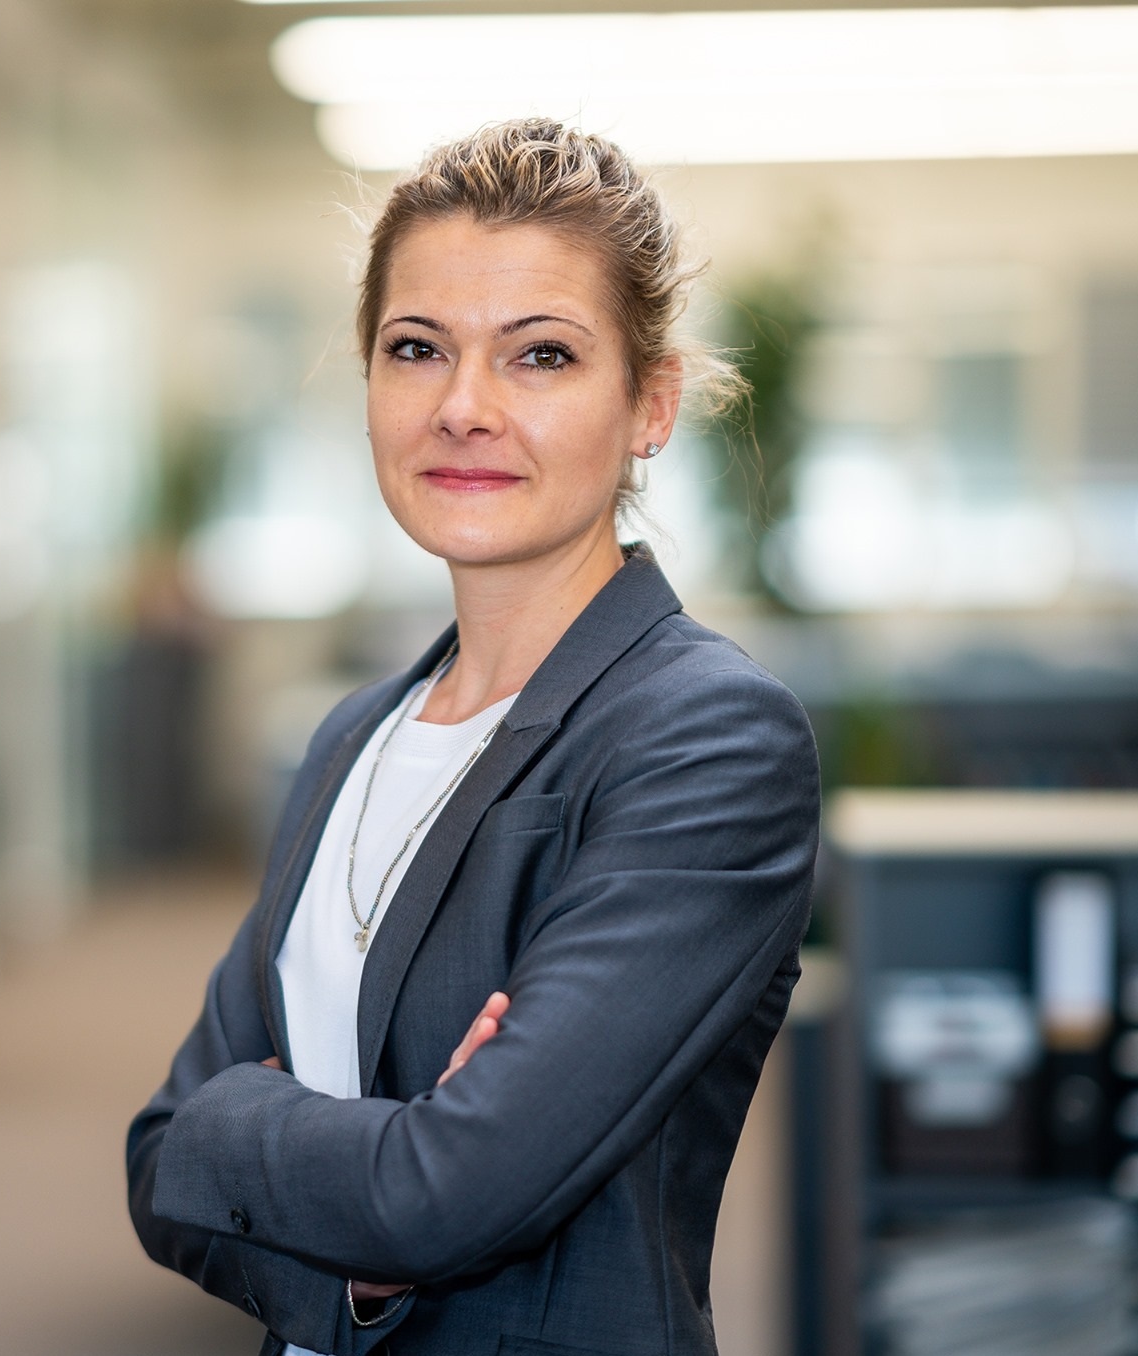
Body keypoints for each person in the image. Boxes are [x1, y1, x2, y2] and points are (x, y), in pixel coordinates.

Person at [125, 119, 820, 1356]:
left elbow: (440, 1194)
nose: (461, 407)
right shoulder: (351, 736)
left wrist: (269, 1135)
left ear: (649, 403)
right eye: (415, 349)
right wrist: (362, 1265)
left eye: (539, 355)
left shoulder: (704, 738)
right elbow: (159, 1160)